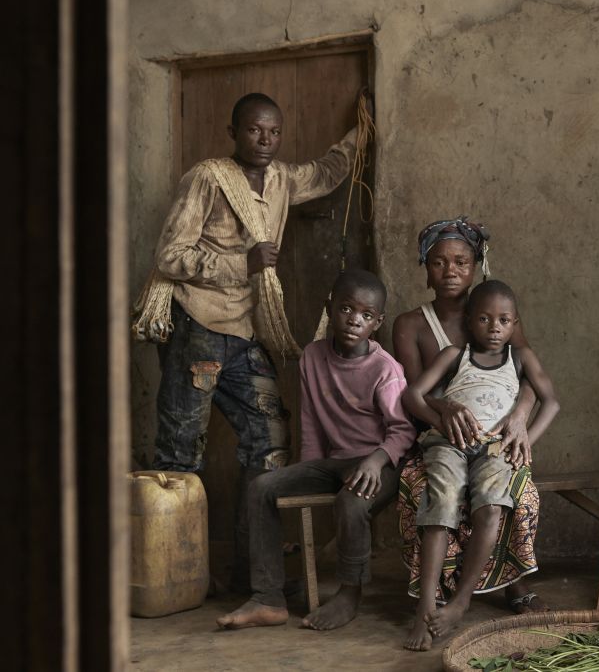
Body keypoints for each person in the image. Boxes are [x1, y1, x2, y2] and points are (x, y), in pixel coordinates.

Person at [149, 92, 361, 591]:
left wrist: (361, 132)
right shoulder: (208, 178)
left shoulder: (283, 179)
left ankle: (251, 577)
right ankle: (177, 579)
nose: (265, 141)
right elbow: (168, 256)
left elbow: (328, 172)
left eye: (273, 132)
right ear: (233, 133)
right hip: (196, 329)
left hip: (245, 334)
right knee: (180, 456)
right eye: (253, 131)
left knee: (269, 445)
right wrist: (238, 265)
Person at [217, 269, 416, 630]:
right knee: (261, 487)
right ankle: (268, 598)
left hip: (379, 464)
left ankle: (349, 594)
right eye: (346, 309)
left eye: (366, 315)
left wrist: (376, 459)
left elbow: (403, 430)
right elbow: (310, 422)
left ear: (377, 322)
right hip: (333, 463)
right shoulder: (312, 356)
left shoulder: (384, 369)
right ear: (330, 307)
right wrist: (307, 476)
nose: (354, 319)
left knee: (351, 500)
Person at [392, 218, 548, 617]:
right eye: (439, 263)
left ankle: (511, 580)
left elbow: (528, 376)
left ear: (477, 266)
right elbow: (414, 393)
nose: (451, 272)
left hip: (495, 434)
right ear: (425, 269)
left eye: (461, 262)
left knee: (514, 487)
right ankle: (435, 596)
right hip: (438, 435)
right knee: (429, 491)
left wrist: (520, 415)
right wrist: (445, 411)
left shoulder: (496, 314)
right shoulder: (411, 324)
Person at [402, 280, 559, 650]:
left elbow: (551, 402)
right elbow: (412, 394)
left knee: (490, 508)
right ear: (470, 321)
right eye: (485, 319)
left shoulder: (521, 359)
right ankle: (425, 605)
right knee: (440, 504)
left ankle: (461, 602)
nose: (494, 328)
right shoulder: (454, 354)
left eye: (504, 320)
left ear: (515, 323)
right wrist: (440, 418)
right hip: (449, 443)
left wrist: (522, 442)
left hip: (495, 448)